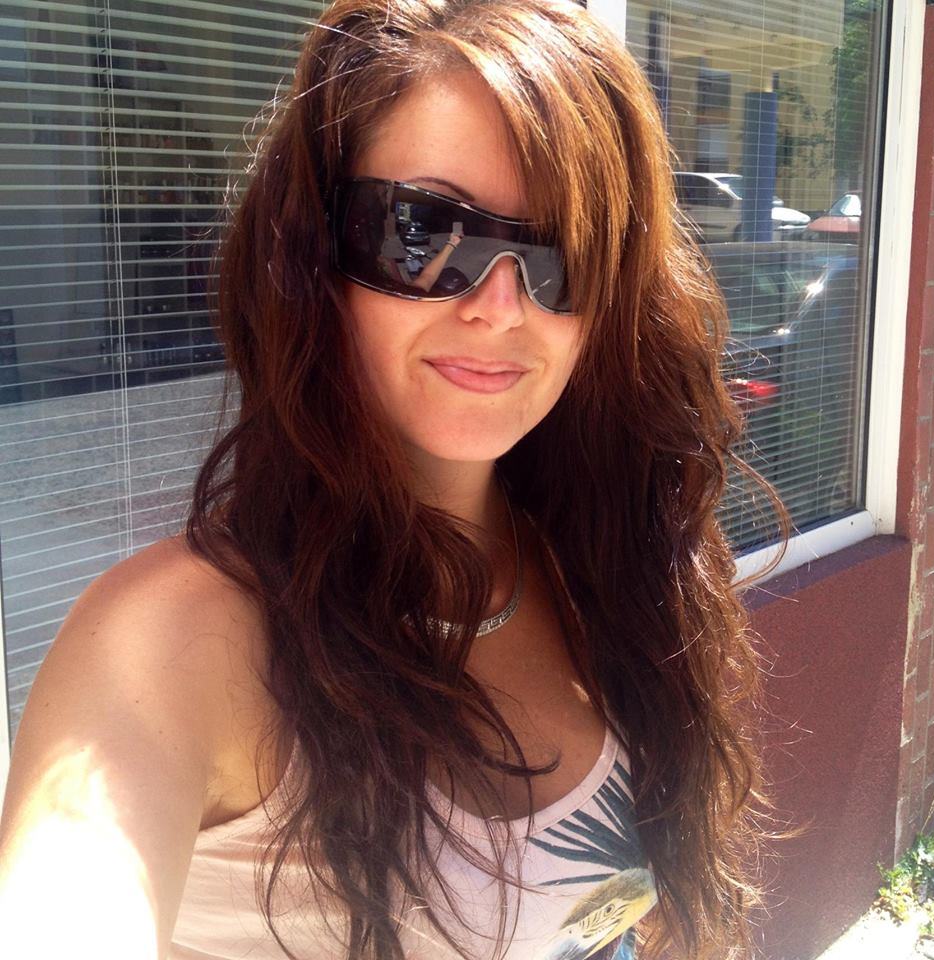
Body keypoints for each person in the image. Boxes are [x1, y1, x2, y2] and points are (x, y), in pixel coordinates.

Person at [0, 1, 780, 958]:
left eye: (566, 254)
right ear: (314, 254)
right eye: (426, 232)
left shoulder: (596, 561)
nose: (501, 306)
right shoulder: (173, 644)